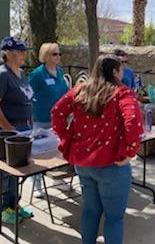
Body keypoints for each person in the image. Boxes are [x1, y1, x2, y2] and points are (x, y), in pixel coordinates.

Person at [51, 55, 144, 244]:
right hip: (112, 165)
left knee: (91, 211)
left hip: (84, 164)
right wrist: (129, 152)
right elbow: (133, 122)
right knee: (114, 217)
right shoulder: (122, 93)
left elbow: (57, 113)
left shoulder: (81, 90)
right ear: (115, 71)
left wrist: (67, 138)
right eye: (121, 68)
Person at [0, 36, 34, 225]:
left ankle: (13, 205)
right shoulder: (1, 74)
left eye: (24, 51)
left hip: (23, 129)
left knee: (17, 170)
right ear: (8, 53)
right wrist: (9, 129)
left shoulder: (21, 73)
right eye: (20, 51)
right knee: (3, 172)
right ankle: (1, 210)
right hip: (6, 132)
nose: (24, 54)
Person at [28, 43, 69, 198]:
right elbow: (27, 94)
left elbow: (65, 93)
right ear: (46, 55)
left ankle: (58, 179)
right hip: (41, 118)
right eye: (54, 54)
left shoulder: (59, 72)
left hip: (59, 119)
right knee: (39, 152)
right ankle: (37, 184)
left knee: (58, 150)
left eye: (59, 54)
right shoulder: (37, 74)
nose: (58, 56)